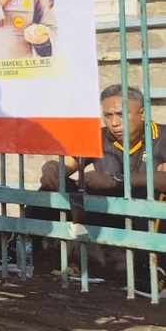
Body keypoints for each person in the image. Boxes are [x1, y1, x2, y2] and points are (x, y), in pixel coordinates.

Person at [27, 85, 166, 269]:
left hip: (147, 218)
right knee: (50, 189)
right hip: (107, 213)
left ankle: (154, 267)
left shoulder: (162, 136)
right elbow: (67, 165)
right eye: (108, 116)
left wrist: (116, 180)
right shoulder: (98, 137)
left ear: (141, 113)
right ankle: (26, 251)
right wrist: (52, 169)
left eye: (121, 114)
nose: (115, 123)